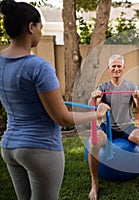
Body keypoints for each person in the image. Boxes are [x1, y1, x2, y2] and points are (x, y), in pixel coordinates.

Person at [0, 0, 110, 199]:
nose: (41, 33)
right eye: (40, 27)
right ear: (31, 27)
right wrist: (98, 114)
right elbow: (63, 118)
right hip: (39, 148)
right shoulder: (39, 67)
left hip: (9, 146)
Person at [88, 54, 139, 200]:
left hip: (126, 126)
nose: (116, 69)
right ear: (109, 69)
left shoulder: (131, 86)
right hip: (107, 126)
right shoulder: (103, 87)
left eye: (119, 66)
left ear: (123, 68)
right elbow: (96, 107)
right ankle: (94, 183)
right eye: (113, 66)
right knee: (94, 143)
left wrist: (138, 98)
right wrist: (96, 97)